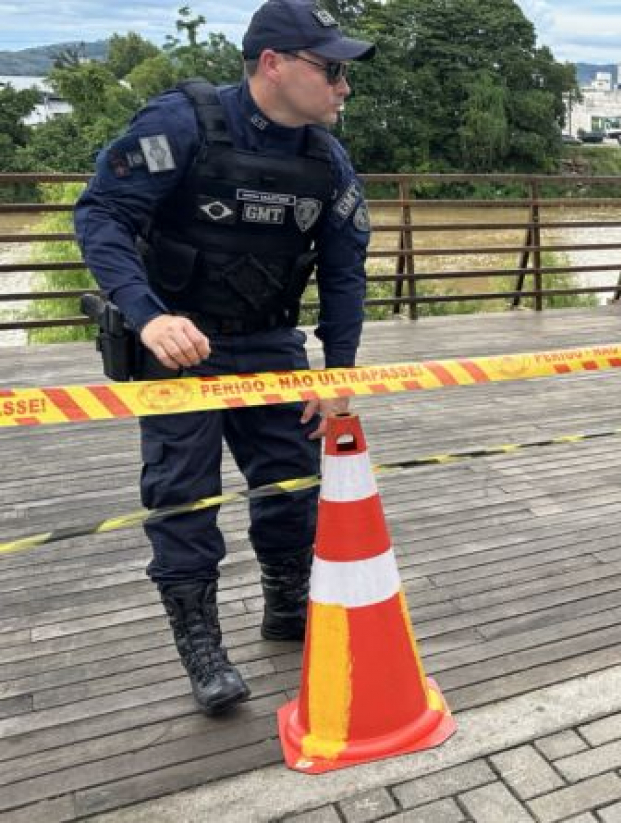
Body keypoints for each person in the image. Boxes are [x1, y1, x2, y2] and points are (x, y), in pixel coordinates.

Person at [73, 0, 374, 714]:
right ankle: (202, 645)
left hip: (271, 343)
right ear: (273, 64)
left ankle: (286, 602)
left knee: (294, 484)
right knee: (183, 496)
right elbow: (101, 214)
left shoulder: (326, 160)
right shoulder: (182, 126)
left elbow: (343, 271)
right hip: (182, 347)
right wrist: (148, 317)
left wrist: (339, 372)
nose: (344, 87)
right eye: (331, 69)